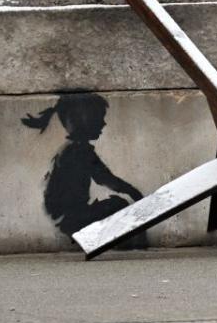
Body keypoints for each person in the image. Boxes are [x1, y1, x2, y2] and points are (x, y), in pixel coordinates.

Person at [21, 93, 145, 242]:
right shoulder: (80, 152)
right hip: (71, 219)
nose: (104, 123)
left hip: (67, 216)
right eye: (100, 118)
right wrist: (134, 192)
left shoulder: (72, 150)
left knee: (116, 206)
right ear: (86, 121)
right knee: (118, 205)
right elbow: (106, 178)